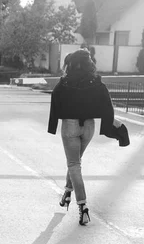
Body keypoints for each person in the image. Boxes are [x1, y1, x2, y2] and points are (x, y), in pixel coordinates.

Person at [48, 49, 124, 226]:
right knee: (76, 162)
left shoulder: (65, 83)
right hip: (89, 127)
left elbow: (55, 97)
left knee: (74, 164)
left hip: (70, 126)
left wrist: (53, 125)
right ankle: (67, 192)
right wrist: (112, 125)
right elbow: (107, 104)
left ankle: (83, 206)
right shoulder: (96, 83)